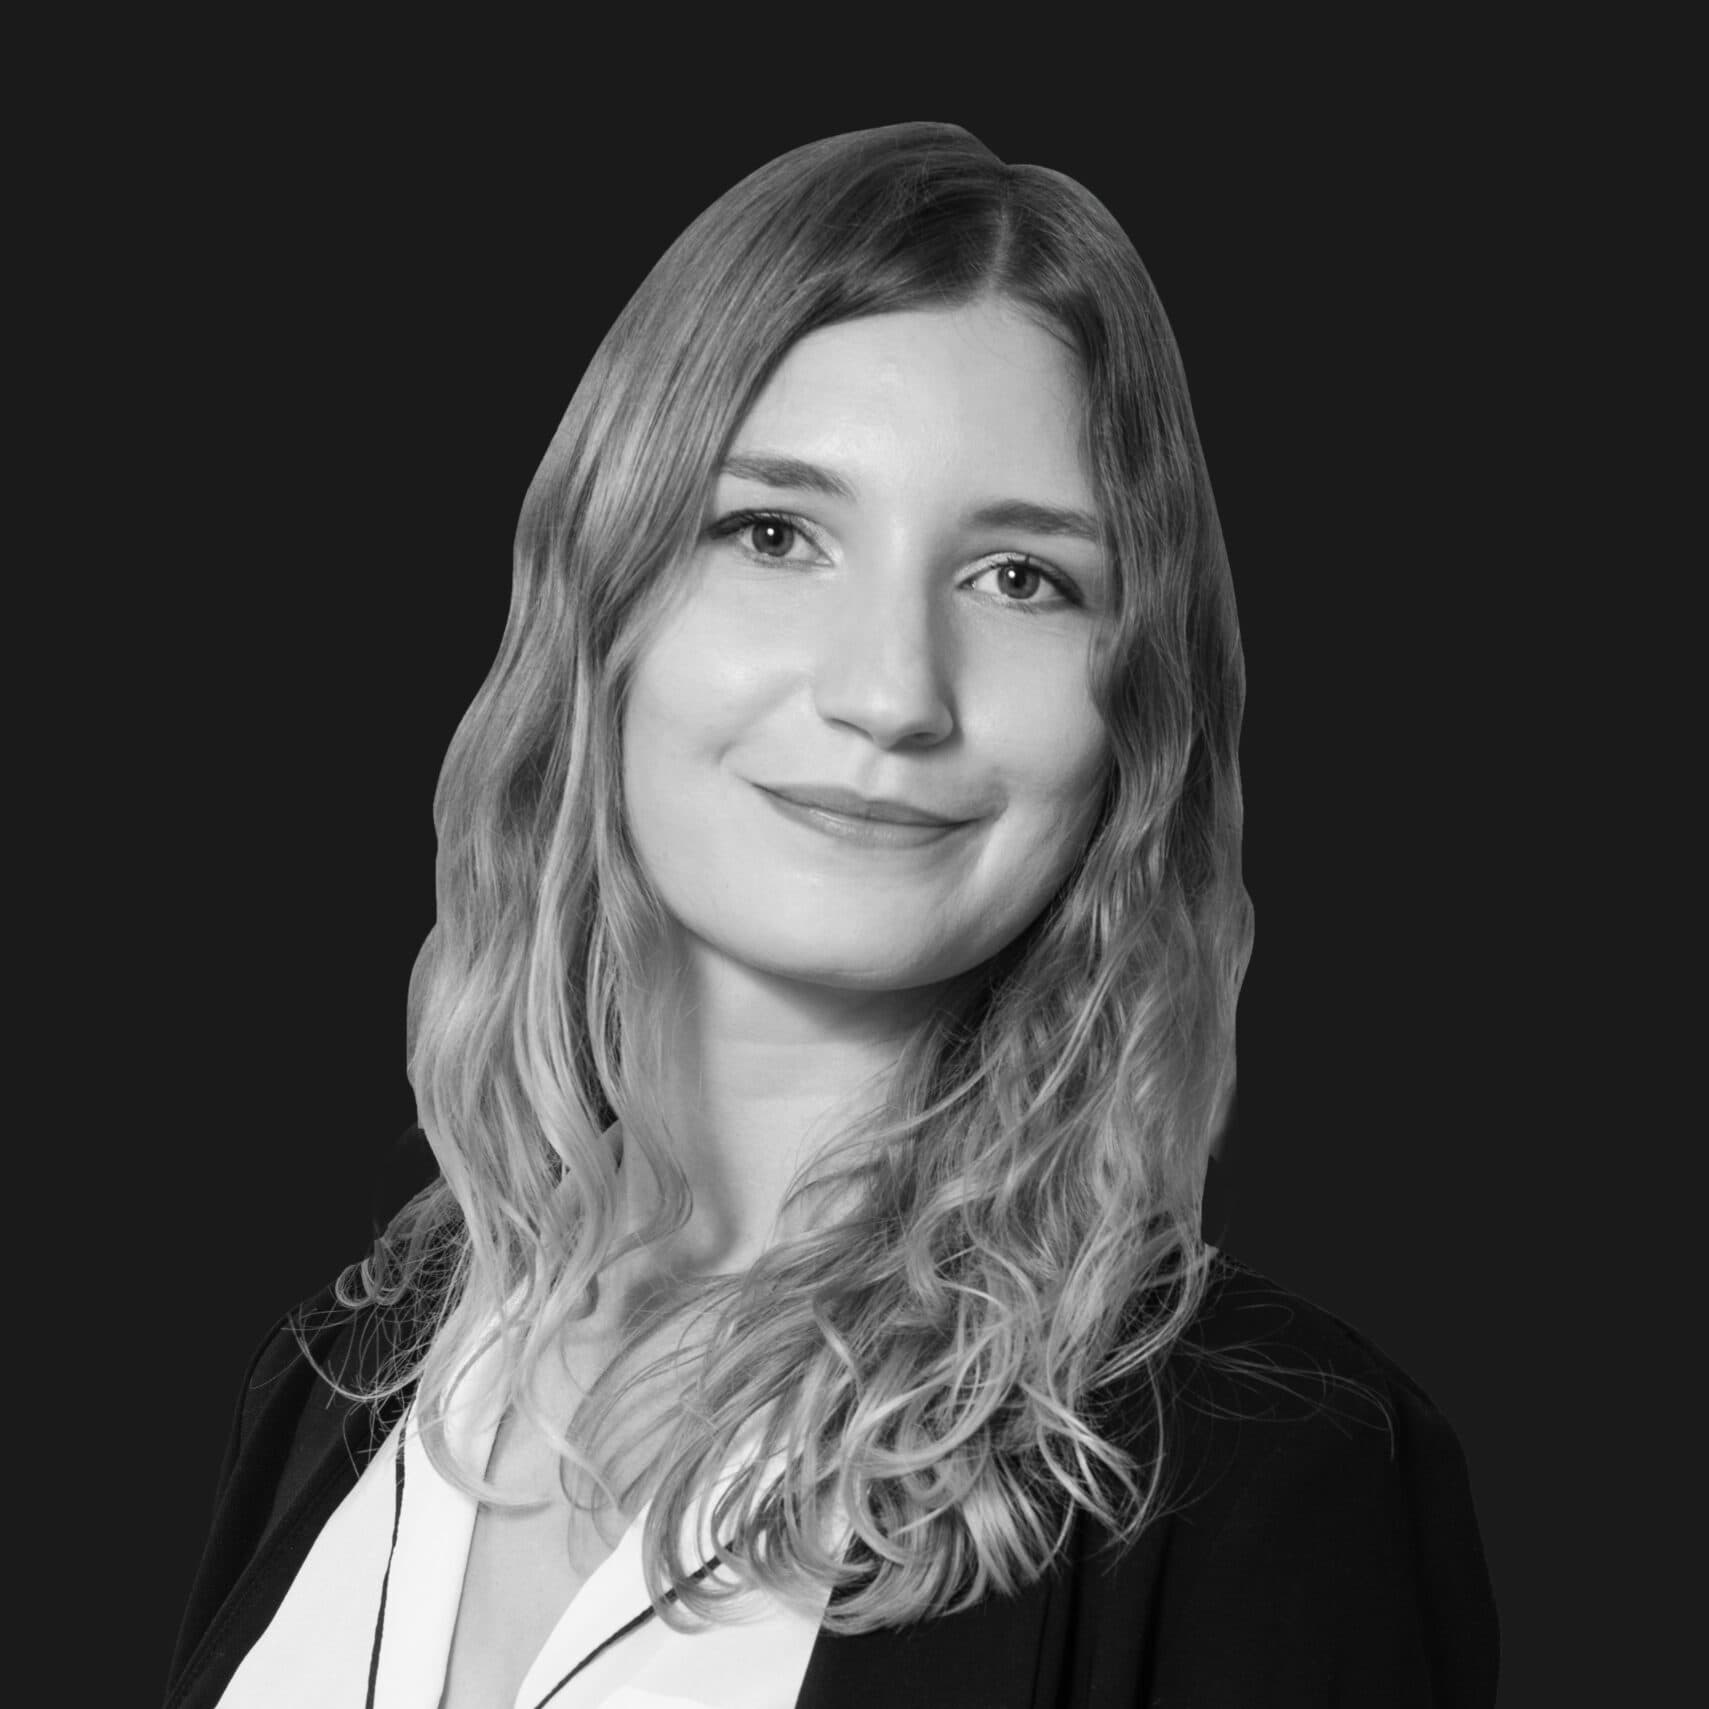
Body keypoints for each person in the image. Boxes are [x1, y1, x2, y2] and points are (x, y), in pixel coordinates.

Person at [164, 121, 1499, 1708]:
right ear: (599, 609)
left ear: (1134, 712)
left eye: (1021, 576)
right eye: (774, 533)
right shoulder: (343, 1375)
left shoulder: (1269, 1476)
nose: (889, 691)